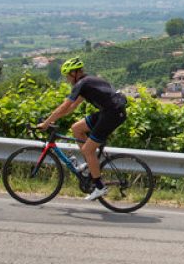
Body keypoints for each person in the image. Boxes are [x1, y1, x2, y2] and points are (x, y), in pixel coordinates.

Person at [35, 57, 129, 200]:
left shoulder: (82, 84)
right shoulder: (89, 82)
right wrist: (54, 118)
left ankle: (99, 186)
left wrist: (46, 123)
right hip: (109, 111)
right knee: (77, 128)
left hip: (112, 114)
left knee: (87, 149)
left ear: (74, 73)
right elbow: (71, 107)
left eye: (67, 76)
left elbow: (64, 106)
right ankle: (89, 164)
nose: (67, 79)